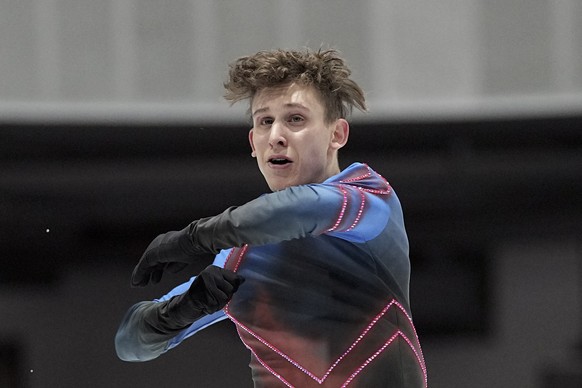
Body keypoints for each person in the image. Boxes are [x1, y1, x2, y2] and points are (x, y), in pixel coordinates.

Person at [115, 48, 427, 387]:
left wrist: (191, 238)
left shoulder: (369, 200)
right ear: (253, 142)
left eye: (295, 119)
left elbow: (299, 209)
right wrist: (184, 308)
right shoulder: (237, 257)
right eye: (265, 121)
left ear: (336, 134)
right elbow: (130, 345)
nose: (276, 136)